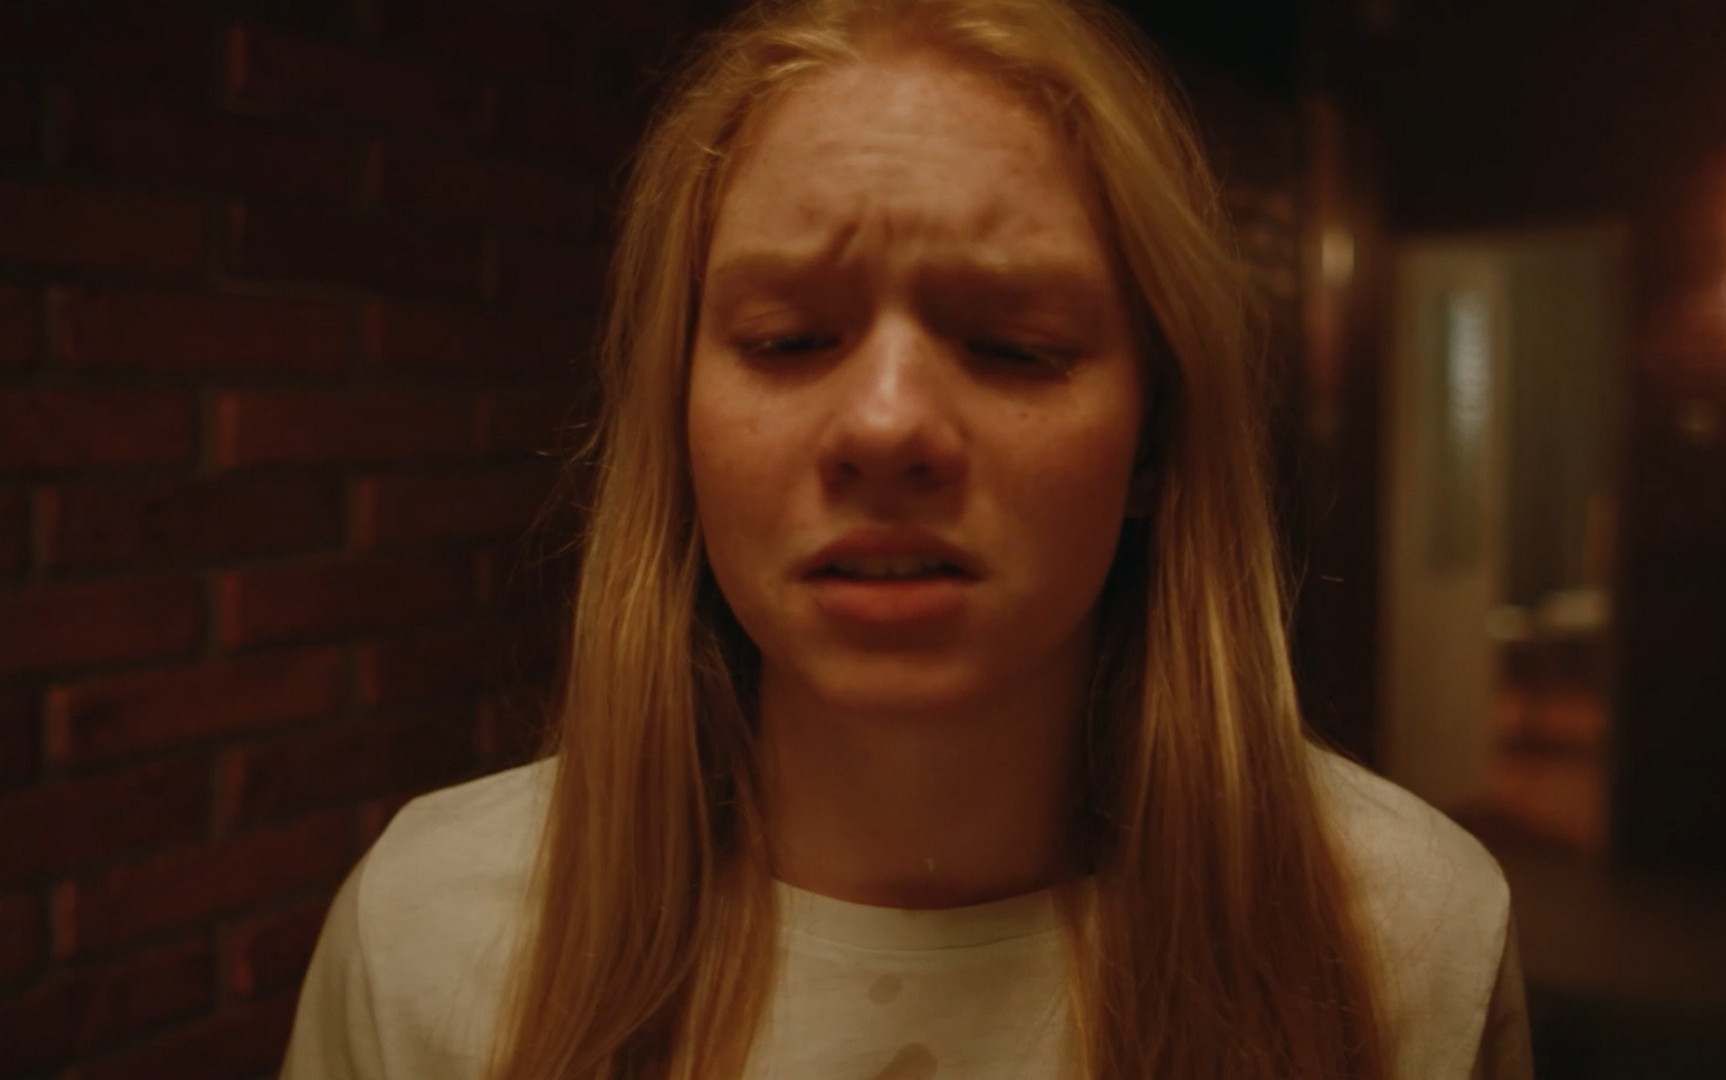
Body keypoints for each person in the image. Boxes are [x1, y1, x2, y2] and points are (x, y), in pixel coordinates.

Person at [280, 0, 1531, 1077]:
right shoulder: (432, 933)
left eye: (1013, 347)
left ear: (1153, 440)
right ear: (679, 421)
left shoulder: (1404, 941)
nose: (885, 425)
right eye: (788, 339)